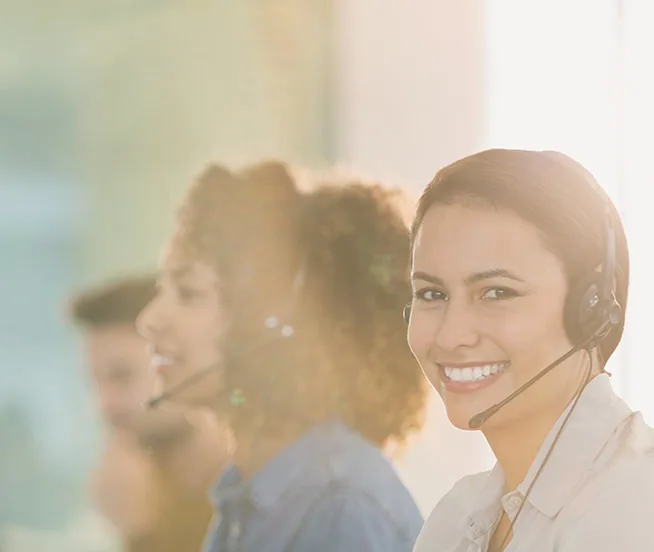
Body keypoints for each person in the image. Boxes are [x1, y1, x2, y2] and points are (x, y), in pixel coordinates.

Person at [137, 161, 428, 552]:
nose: (149, 320)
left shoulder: (340, 509)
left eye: (188, 293)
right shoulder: (250, 497)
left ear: (274, 324)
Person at [408, 149, 654, 552]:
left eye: (496, 292)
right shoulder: (454, 520)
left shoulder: (636, 509)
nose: (451, 336)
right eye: (432, 293)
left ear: (590, 308)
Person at [70, 275, 225, 552]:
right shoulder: (148, 487)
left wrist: (143, 533)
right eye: (94, 381)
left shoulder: (268, 487)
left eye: (122, 376)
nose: (104, 404)